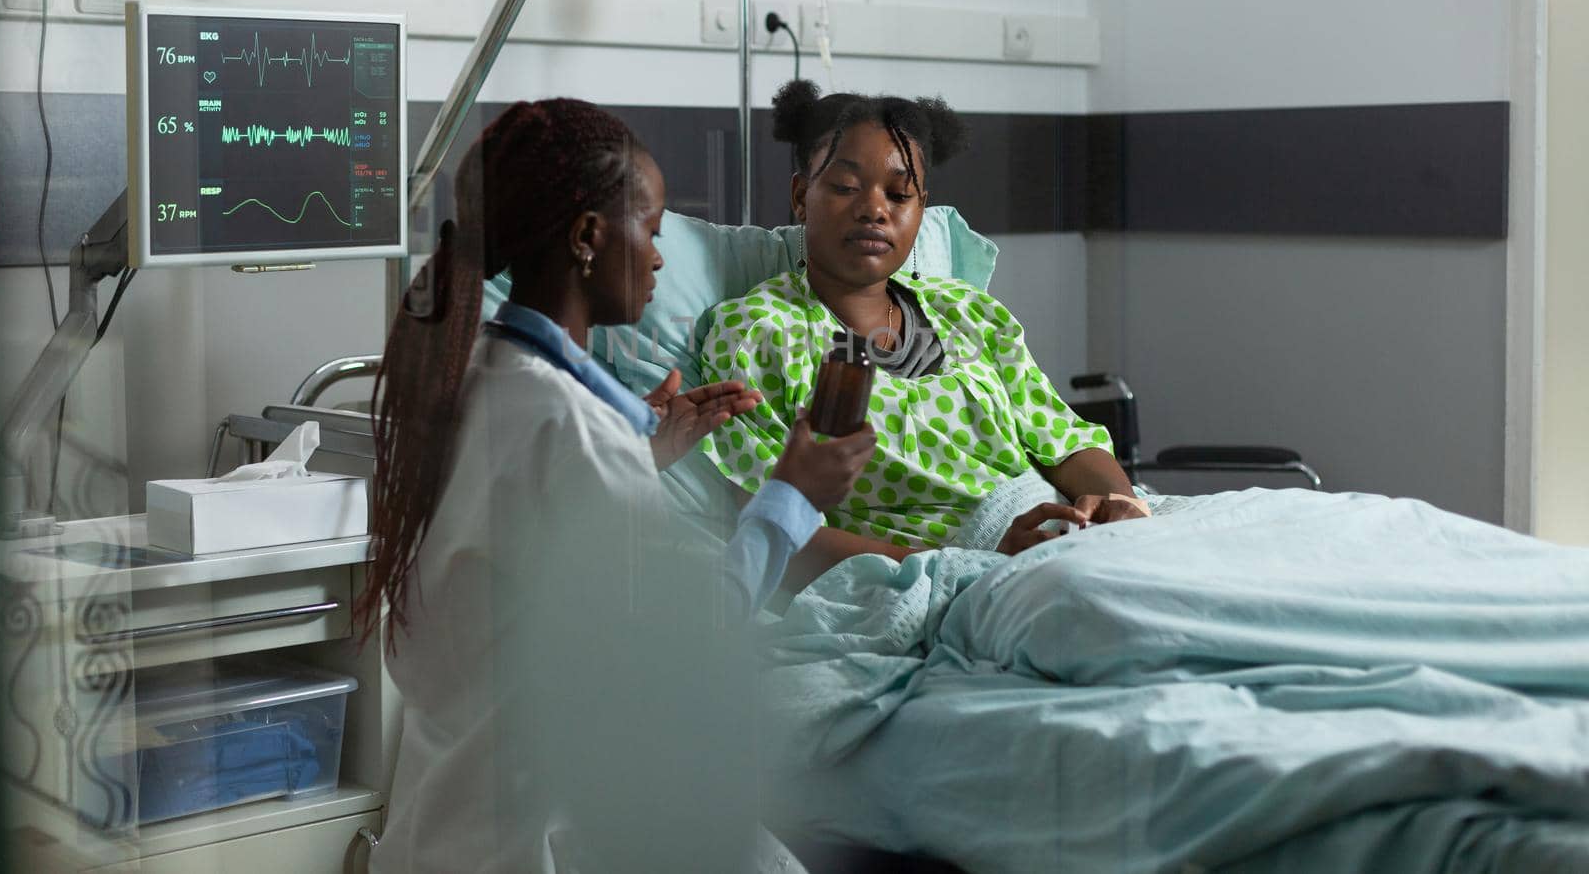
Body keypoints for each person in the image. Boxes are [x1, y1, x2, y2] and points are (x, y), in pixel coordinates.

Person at [363, 99, 875, 874]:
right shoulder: (576, 433)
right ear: (588, 239)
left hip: (436, 830)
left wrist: (649, 452)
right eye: (654, 229)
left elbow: (523, 535)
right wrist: (791, 496)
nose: (661, 258)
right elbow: (686, 649)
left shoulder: (469, 381)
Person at [699, 80, 1150, 590]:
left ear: (920, 208)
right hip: (932, 574)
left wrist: (1123, 509)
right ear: (802, 197)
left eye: (899, 194)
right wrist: (971, 560)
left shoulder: (969, 311)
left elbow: (1065, 442)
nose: (875, 209)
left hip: (1065, 534)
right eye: (846, 187)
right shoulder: (758, 332)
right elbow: (775, 532)